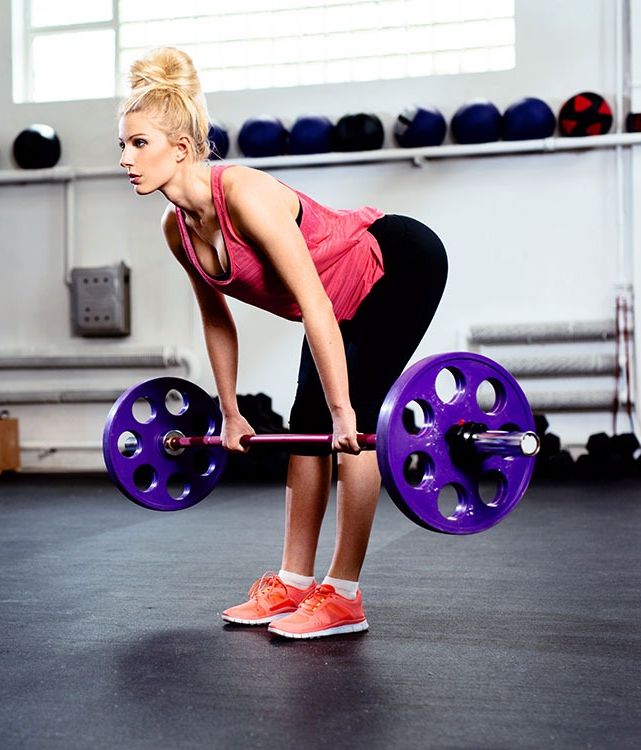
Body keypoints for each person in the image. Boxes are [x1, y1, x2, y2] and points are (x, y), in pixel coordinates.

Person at [117, 47, 448, 639]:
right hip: (335, 298)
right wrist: (229, 411)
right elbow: (217, 319)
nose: (126, 159)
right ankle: (294, 583)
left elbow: (314, 302)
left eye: (138, 144)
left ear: (182, 149)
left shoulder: (244, 194)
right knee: (306, 420)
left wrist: (347, 411)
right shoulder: (178, 229)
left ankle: (343, 595)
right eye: (124, 145)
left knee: (352, 423)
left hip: (395, 263)